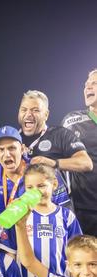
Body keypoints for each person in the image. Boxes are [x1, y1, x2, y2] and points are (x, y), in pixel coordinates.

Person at [0, 126, 70, 254]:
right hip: (7, 244)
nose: (7, 154)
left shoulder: (42, 172)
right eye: (1, 149)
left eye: (12, 148)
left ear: (22, 149)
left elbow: (65, 211)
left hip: (44, 238)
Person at [62, 69, 97, 235]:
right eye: (86, 85)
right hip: (83, 208)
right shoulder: (72, 120)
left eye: (94, 83)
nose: (88, 88)